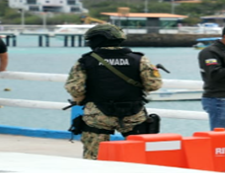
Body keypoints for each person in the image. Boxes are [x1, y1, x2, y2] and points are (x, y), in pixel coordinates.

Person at [65, 24, 162, 159]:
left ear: (98, 40)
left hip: (98, 113)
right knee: (140, 153)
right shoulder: (139, 59)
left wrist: (80, 99)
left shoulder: (86, 61)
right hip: (133, 112)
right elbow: (154, 85)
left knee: (94, 156)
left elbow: (75, 89)